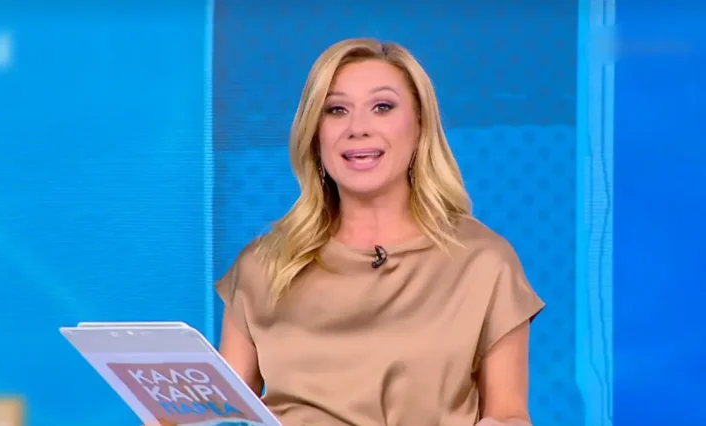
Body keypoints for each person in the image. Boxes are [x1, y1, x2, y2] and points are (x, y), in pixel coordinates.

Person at [153, 37, 544, 426]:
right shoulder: (265, 264)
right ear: (315, 133)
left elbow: (509, 414)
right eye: (336, 110)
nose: (358, 129)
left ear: (420, 125)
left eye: (382, 107)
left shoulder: (483, 261)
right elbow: (213, 412)